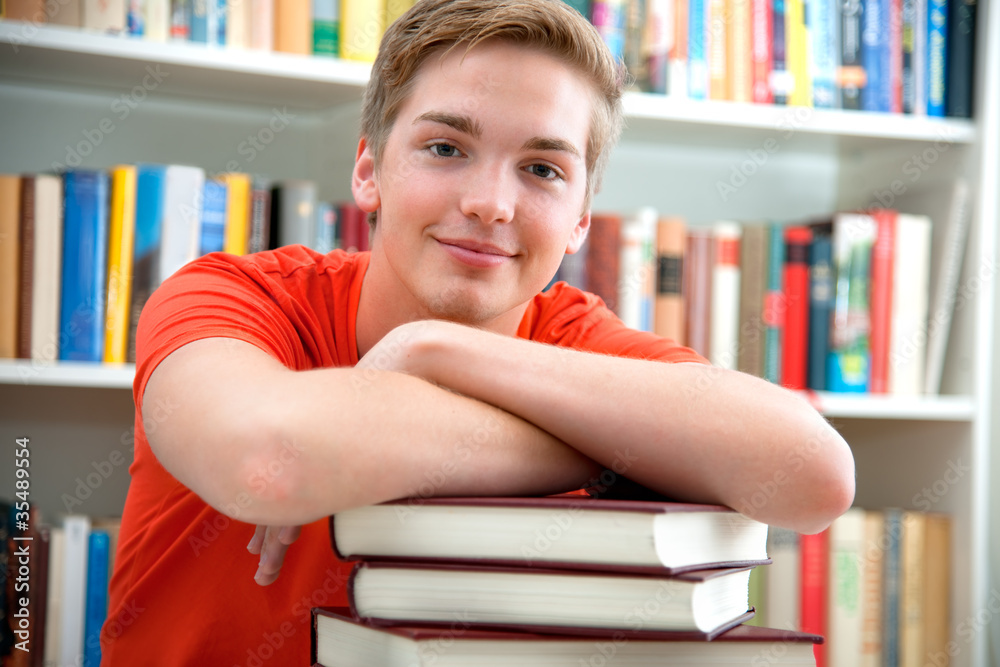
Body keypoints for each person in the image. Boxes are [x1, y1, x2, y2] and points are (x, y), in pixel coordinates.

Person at [101, 0, 855, 664]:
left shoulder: (575, 338)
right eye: (445, 148)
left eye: (543, 170)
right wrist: (611, 452)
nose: (492, 202)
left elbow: (813, 474)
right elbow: (268, 462)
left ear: (581, 217)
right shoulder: (232, 293)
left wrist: (434, 350)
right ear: (369, 170)